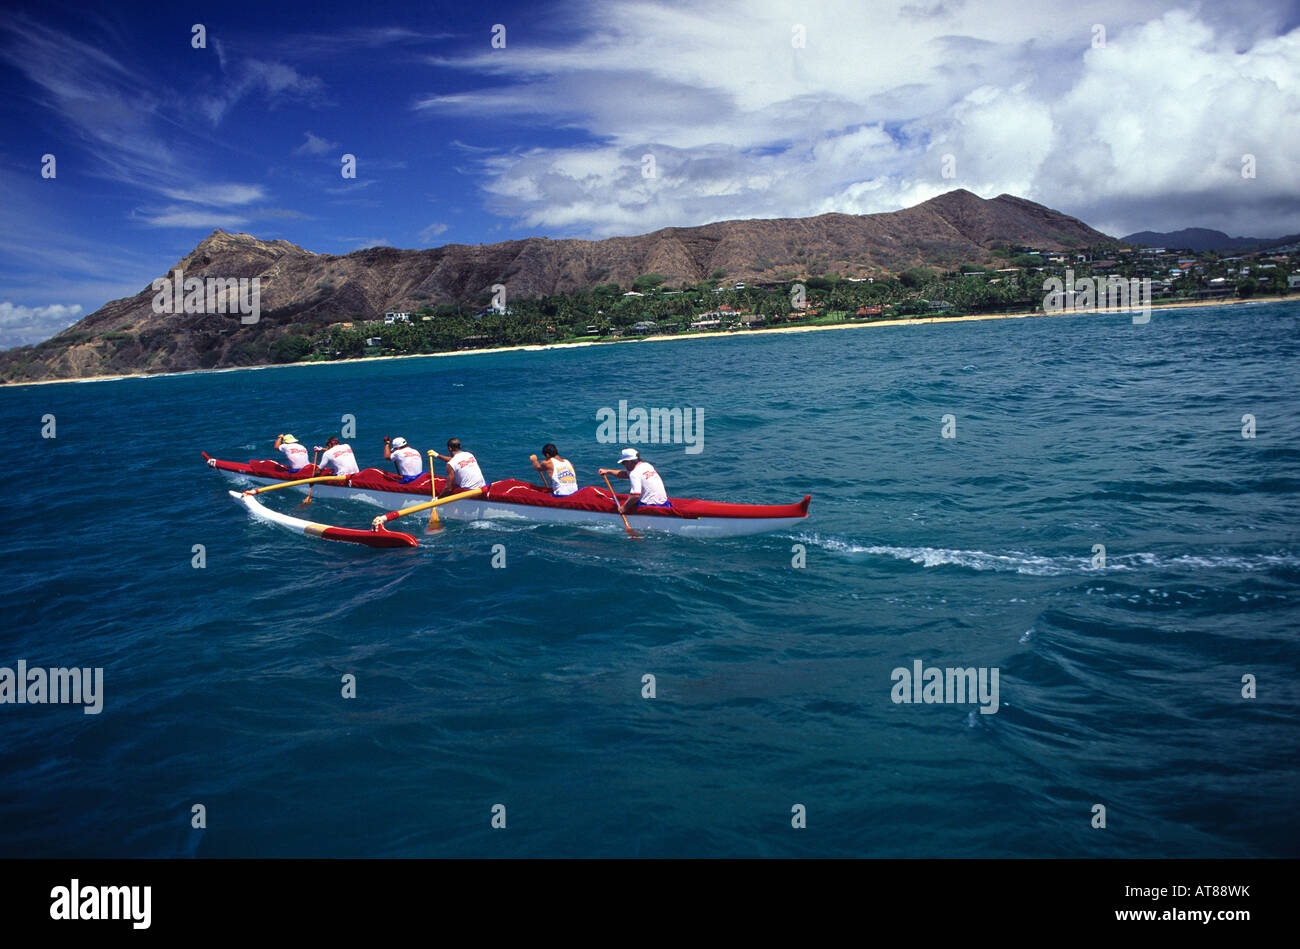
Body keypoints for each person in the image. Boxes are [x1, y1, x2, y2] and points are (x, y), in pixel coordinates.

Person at [598, 448, 670, 514]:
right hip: (664, 503)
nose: (624, 465)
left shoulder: (634, 473)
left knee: (627, 502)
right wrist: (607, 471)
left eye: (624, 463)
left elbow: (635, 496)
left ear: (629, 462)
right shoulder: (646, 465)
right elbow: (625, 474)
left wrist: (623, 508)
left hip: (651, 505)